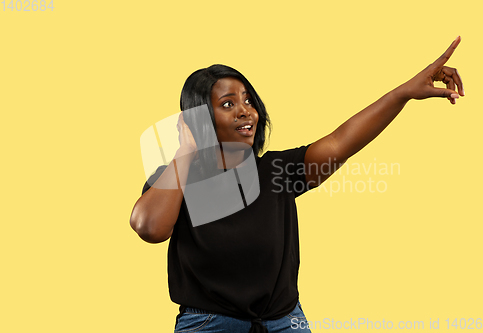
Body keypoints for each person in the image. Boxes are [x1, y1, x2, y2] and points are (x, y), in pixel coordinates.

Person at [129, 36, 465, 333]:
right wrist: (187, 150)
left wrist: (404, 92)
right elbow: (149, 227)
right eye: (228, 104)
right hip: (209, 323)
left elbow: (341, 141)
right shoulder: (175, 178)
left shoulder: (278, 169)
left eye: (248, 100)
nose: (246, 111)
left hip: (283, 321)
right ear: (199, 118)